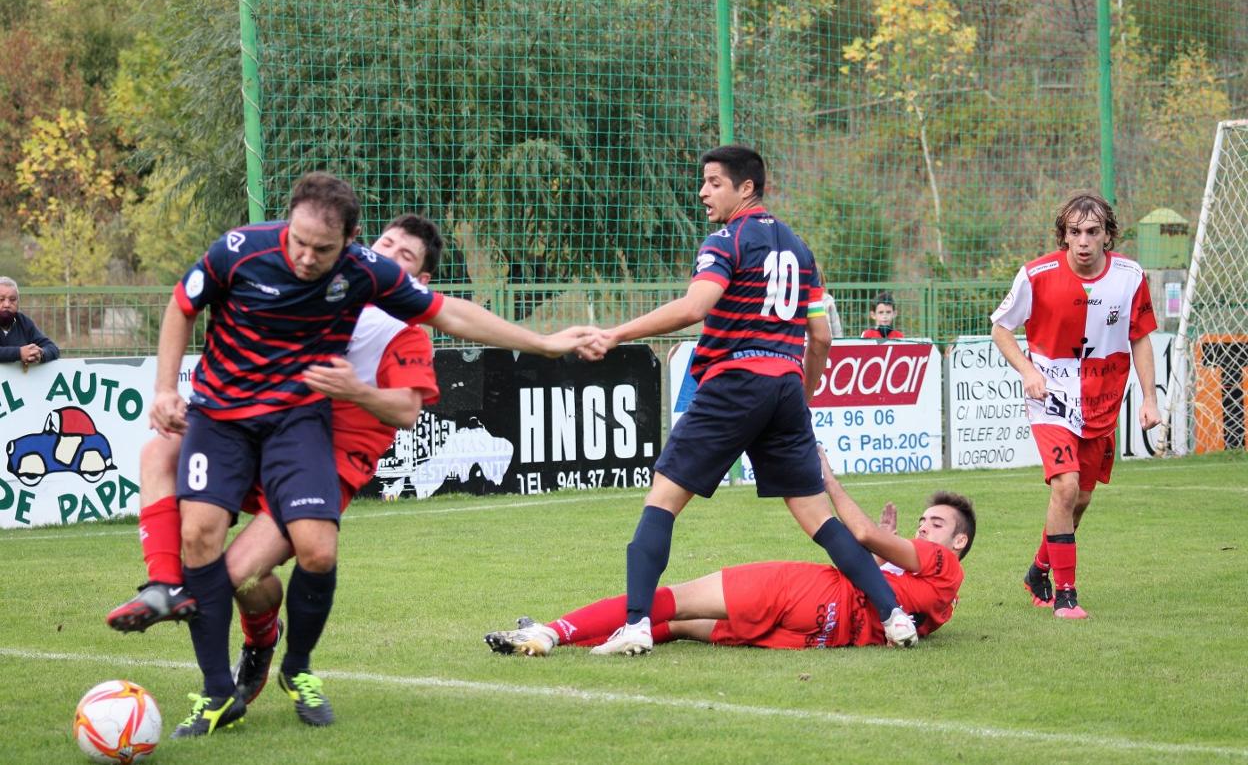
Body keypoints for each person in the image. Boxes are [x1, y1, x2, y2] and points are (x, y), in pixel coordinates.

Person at [152, 175, 598, 739]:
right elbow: (188, 303)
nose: (309, 258)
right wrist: (169, 389)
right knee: (189, 510)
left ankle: (286, 663)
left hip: (321, 449)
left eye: (402, 256)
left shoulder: (390, 311)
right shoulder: (268, 261)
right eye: (386, 246)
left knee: (260, 565)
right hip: (247, 428)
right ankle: (196, 609)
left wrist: (544, 342)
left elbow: (441, 343)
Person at [586, 145, 917, 656]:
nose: (702, 192)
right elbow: (822, 339)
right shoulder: (802, 251)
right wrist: (800, 396)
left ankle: (634, 625)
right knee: (817, 516)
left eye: (714, 182)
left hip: (734, 381)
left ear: (746, 189)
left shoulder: (726, 239)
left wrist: (614, 334)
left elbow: (696, 307)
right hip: (784, 384)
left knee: (663, 502)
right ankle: (894, 615)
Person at [107, 214, 445, 702]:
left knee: (236, 576)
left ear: (420, 280)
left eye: (404, 256)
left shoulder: (405, 331)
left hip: (324, 465)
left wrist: (356, 389)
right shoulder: (333, 290)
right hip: (261, 437)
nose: (388, 257)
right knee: (158, 449)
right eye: (385, 244)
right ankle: (163, 582)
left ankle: (264, 643)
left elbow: (409, 409)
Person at [485, 447, 974, 655]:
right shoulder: (941, 601)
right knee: (674, 627)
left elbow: (863, 532)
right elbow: (873, 588)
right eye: (922, 521)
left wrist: (824, 476)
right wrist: (880, 559)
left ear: (959, 542)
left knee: (664, 601)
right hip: (815, 636)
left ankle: (552, 632)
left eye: (935, 524)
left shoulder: (944, 564)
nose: (922, 528)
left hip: (796, 592)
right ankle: (560, 636)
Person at [990, 191, 1159, 620]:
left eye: (1092, 231)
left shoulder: (1130, 276)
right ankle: (1065, 594)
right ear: (1063, 236)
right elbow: (1001, 328)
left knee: (1080, 499)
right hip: (1051, 398)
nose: (1082, 241)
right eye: (1074, 232)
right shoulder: (1036, 275)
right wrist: (1029, 372)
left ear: (1107, 235)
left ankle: (1038, 570)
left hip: (1102, 401)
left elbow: (1139, 337)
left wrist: (1150, 397)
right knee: (1064, 487)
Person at [0, 276, 60, 367]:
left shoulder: (24, 322)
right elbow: (21, 353)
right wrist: (19, 353)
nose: (7, 304)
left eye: (12, 300)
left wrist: (40, 354)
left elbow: (52, 348)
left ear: (18, 302)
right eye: (1, 299)